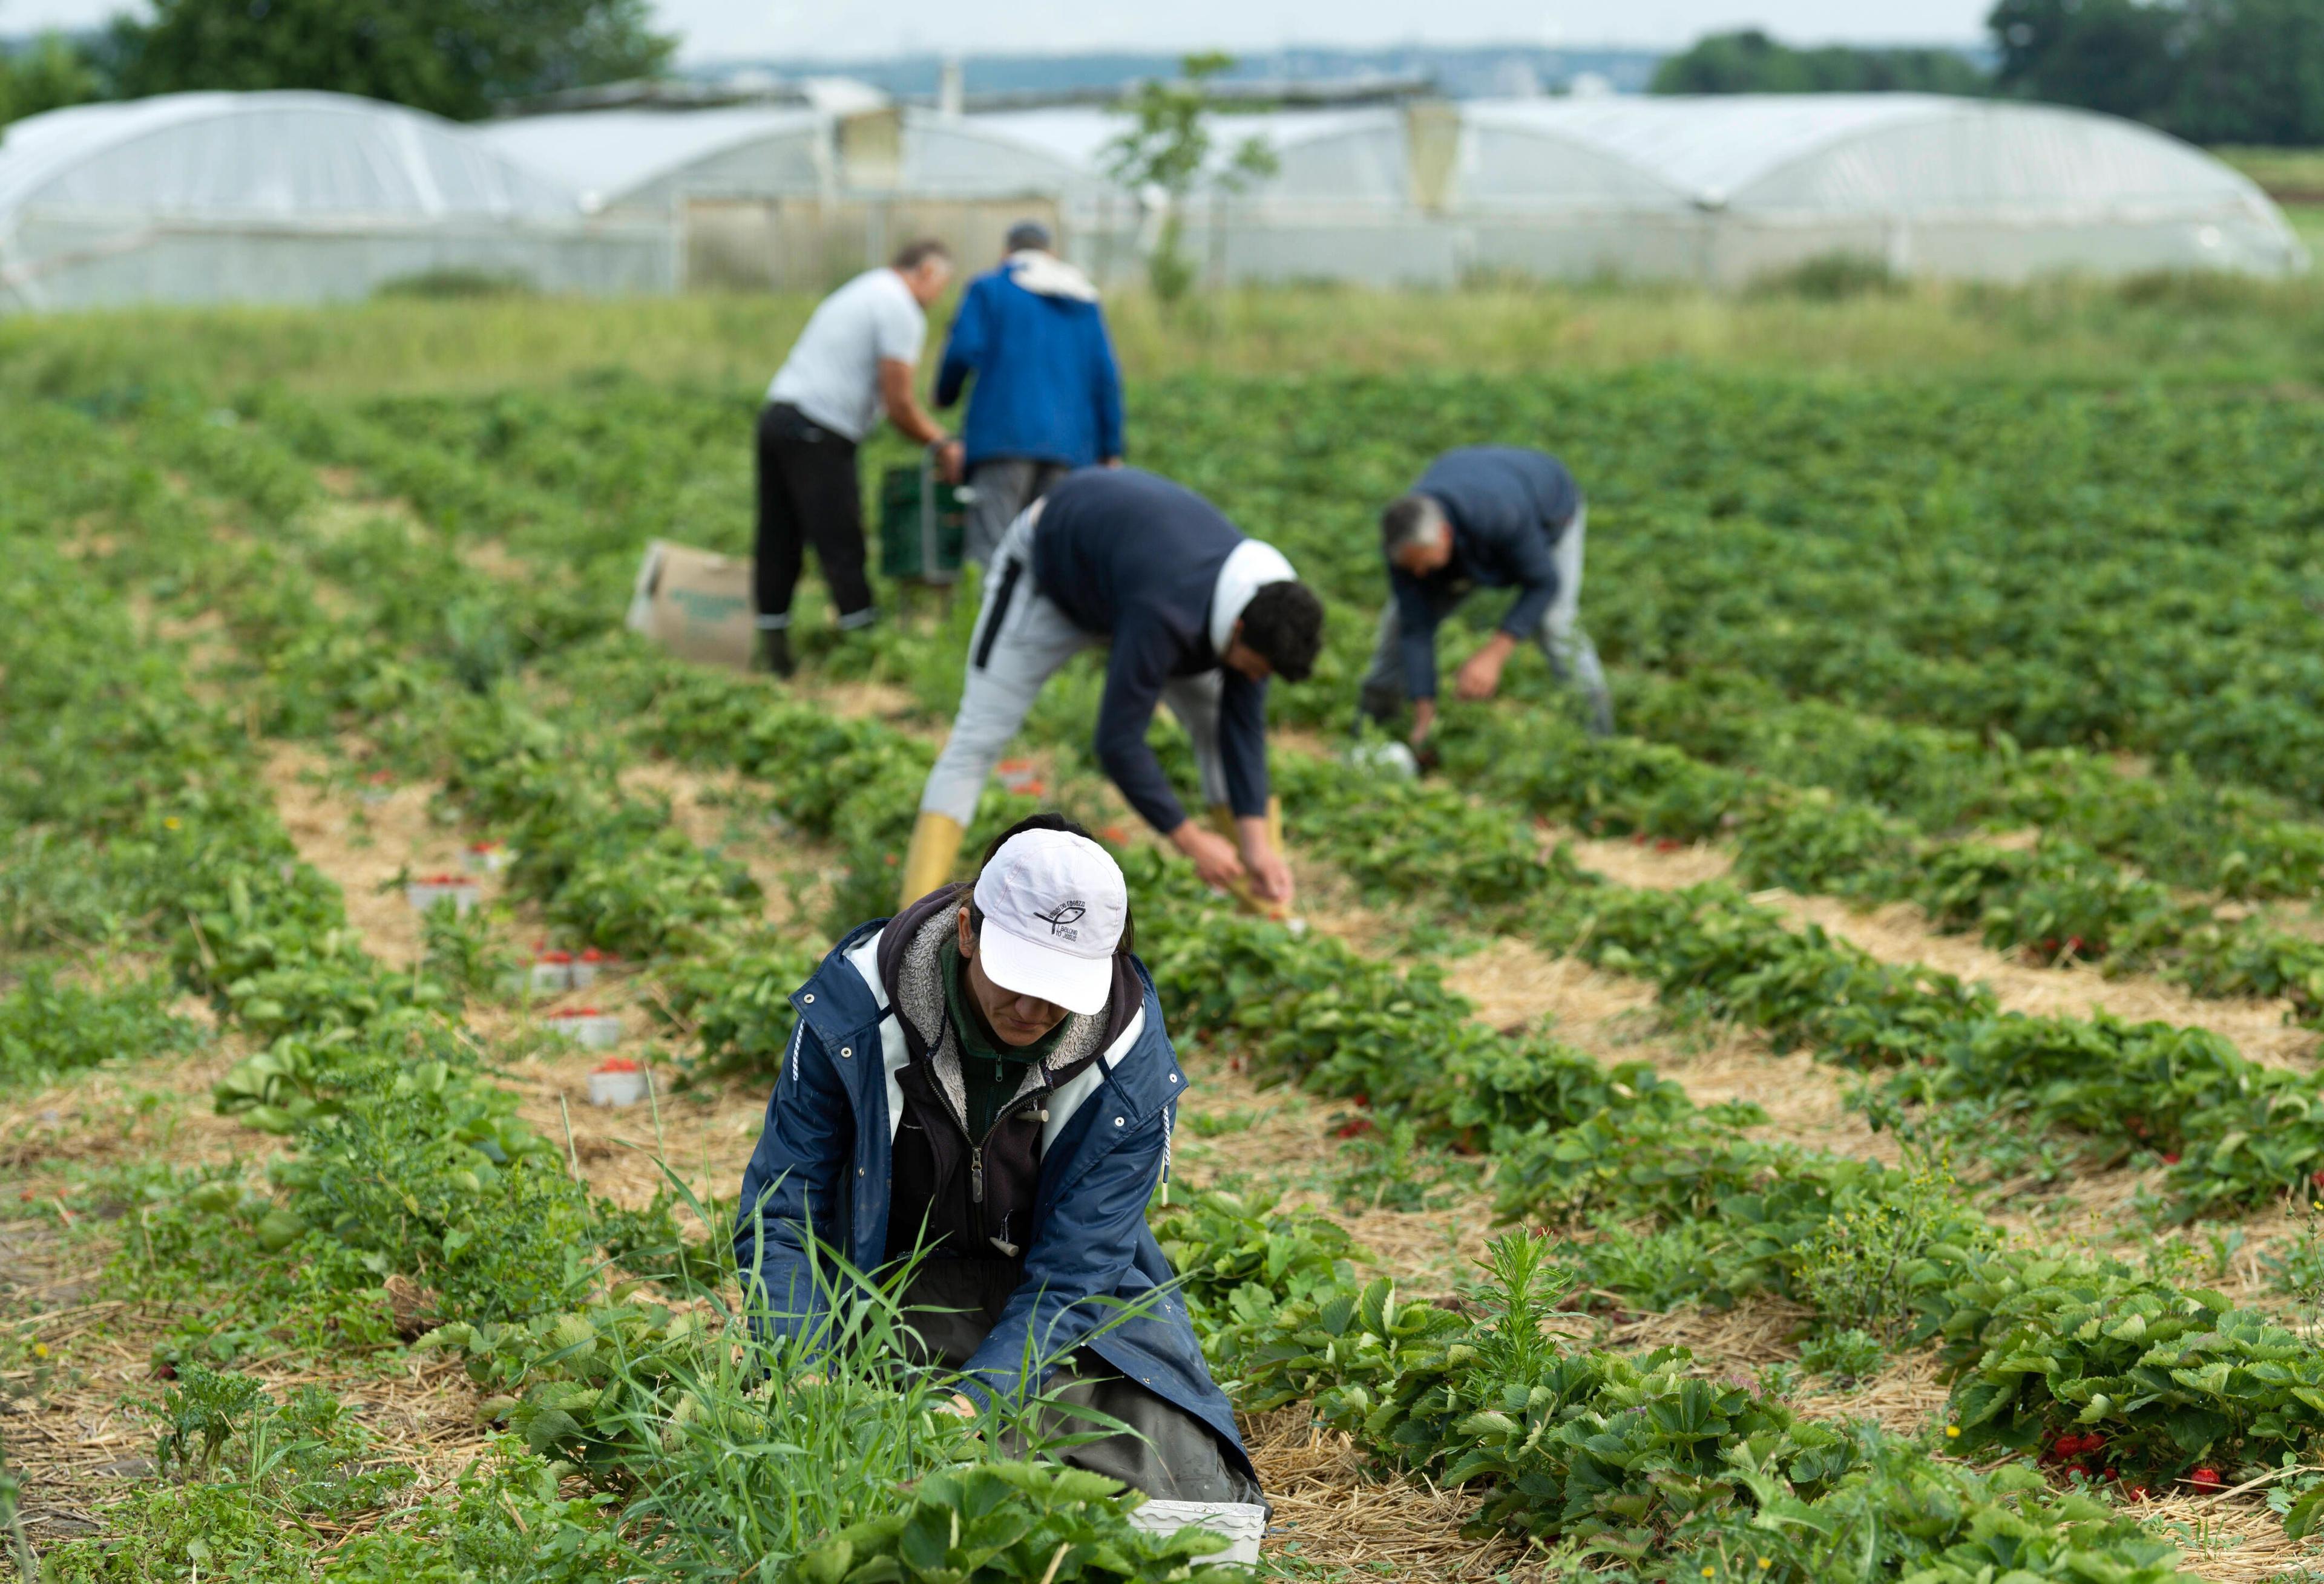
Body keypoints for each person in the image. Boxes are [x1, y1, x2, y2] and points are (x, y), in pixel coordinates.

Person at [733, 816, 1267, 1532]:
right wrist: (801, 1368)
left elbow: (1075, 1276)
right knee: (837, 1457)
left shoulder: (1130, 1068)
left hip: (1050, 1306)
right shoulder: (856, 1013)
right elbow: (783, 1208)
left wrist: (978, 1401)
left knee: (1192, 1492)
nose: (1032, 1007)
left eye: (1060, 988)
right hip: (885, 1287)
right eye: (1017, 978)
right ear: (966, 931)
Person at [897, 468, 1325, 912]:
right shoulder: (1165, 612)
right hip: (1050, 577)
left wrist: (1257, 844)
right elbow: (1118, 742)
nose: (1255, 681)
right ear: (1236, 629)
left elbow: (1242, 729)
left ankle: (1268, 909)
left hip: (1133, 580)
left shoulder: (1268, 612)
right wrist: (1192, 841)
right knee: (979, 735)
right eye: (1253, 669)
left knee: (1217, 722)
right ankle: (911, 926)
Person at [753, 239, 963, 678]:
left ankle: (775, 656)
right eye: (941, 284)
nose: (939, 296)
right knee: (841, 539)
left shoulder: (864, 289)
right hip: (819, 426)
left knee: (779, 537)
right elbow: (899, 402)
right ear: (926, 272)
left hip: (778, 416)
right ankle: (866, 654)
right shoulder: (899, 307)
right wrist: (943, 444)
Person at [1358, 445, 1613, 747]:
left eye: (1423, 563)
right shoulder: (1405, 543)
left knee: (1554, 623)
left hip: (1548, 507)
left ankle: (1599, 738)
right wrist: (1425, 711)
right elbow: (1416, 626)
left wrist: (1493, 655)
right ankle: (1372, 730)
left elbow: (1543, 583)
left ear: (1444, 535)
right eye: (1409, 566)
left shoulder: (1500, 515)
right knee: (1399, 622)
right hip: (1482, 496)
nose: (1419, 575)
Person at [934, 220, 1126, 568]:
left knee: (992, 545)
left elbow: (962, 349)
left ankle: (982, 621)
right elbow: (1106, 376)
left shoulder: (989, 289)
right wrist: (1110, 448)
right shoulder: (1082, 298)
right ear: (1050, 253)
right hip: (1070, 447)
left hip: (1003, 437)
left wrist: (945, 395)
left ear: (1007, 252)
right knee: (1048, 550)